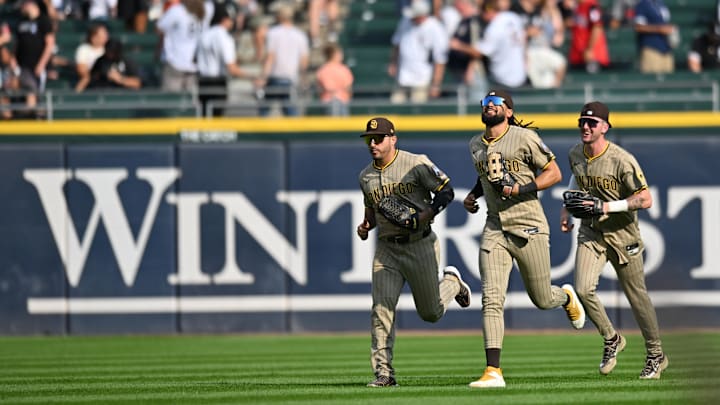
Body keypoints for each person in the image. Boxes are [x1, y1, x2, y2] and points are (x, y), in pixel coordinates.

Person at [462, 89, 586, 388]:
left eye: (495, 104)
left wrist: (519, 189)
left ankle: (566, 297)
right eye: (485, 103)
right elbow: (485, 177)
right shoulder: (475, 144)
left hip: (528, 223)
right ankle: (493, 371)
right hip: (495, 227)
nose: (489, 107)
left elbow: (554, 173)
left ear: (508, 110)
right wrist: (473, 194)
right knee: (491, 299)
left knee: (542, 298)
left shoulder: (523, 137)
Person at [356, 117, 471, 388]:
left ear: (393, 138)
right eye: (369, 139)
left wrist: (424, 215)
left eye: (379, 138)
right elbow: (372, 214)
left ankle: (453, 283)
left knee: (430, 313)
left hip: (420, 243)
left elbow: (447, 193)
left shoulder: (416, 162)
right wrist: (365, 226)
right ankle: (384, 373)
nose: (373, 143)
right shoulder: (366, 177)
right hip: (386, 249)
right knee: (381, 309)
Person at [560, 101, 668, 379]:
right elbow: (577, 178)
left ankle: (656, 354)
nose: (586, 126)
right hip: (592, 232)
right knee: (583, 289)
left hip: (622, 234)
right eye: (582, 121)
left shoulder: (621, 159)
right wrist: (567, 208)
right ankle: (612, 338)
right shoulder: (575, 153)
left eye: (592, 123)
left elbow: (645, 198)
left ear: (605, 127)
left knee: (636, 296)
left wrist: (608, 207)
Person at [449, 0, 527, 89]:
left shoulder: (495, 27)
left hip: (503, 78)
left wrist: (458, 45)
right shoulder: (513, 17)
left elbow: (479, 52)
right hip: (520, 74)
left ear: (488, 11)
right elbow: (524, 39)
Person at [196, 6, 255, 116]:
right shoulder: (224, 37)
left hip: (202, 81)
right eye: (231, 19)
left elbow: (195, 59)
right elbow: (231, 68)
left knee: (203, 118)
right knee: (217, 122)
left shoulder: (205, 34)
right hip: (217, 83)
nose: (233, 22)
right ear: (224, 19)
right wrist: (253, 77)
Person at [388, 0, 448, 104]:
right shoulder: (405, 21)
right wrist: (393, 62)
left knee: (416, 110)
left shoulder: (435, 28)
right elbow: (397, 43)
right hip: (402, 76)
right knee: (394, 106)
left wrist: (435, 85)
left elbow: (440, 59)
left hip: (422, 79)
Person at [257, 2, 309, 116]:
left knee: (263, 113)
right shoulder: (300, 35)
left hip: (275, 78)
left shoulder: (273, 33)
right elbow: (304, 61)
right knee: (291, 114)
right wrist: (302, 78)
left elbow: (270, 57)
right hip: (290, 79)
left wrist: (263, 77)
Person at [156, 0, 206, 92]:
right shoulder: (202, 12)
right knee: (188, 102)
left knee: (171, 101)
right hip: (192, 64)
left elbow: (159, 28)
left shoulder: (177, 10)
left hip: (175, 62)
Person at [633, 0, 677, 74]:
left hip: (666, 49)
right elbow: (639, 27)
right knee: (653, 81)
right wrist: (659, 29)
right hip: (652, 48)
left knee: (668, 82)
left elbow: (664, 21)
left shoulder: (661, 3)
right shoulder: (643, 5)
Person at [567, 0, 609, 73]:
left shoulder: (592, 6)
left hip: (592, 56)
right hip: (578, 54)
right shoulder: (577, 7)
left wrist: (589, 49)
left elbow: (597, 27)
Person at [315, 43, 353, 116]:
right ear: (334, 54)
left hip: (327, 102)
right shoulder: (343, 69)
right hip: (341, 101)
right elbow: (349, 88)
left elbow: (320, 89)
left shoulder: (322, 70)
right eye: (340, 53)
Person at [74, 23, 108, 92]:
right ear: (93, 37)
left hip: (107, 80)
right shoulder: (84, 49)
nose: (106, 37)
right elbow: (81, 69)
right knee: (85, 78)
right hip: (91, 80)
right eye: (103, 35)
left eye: (106, 35)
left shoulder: (109, 50)